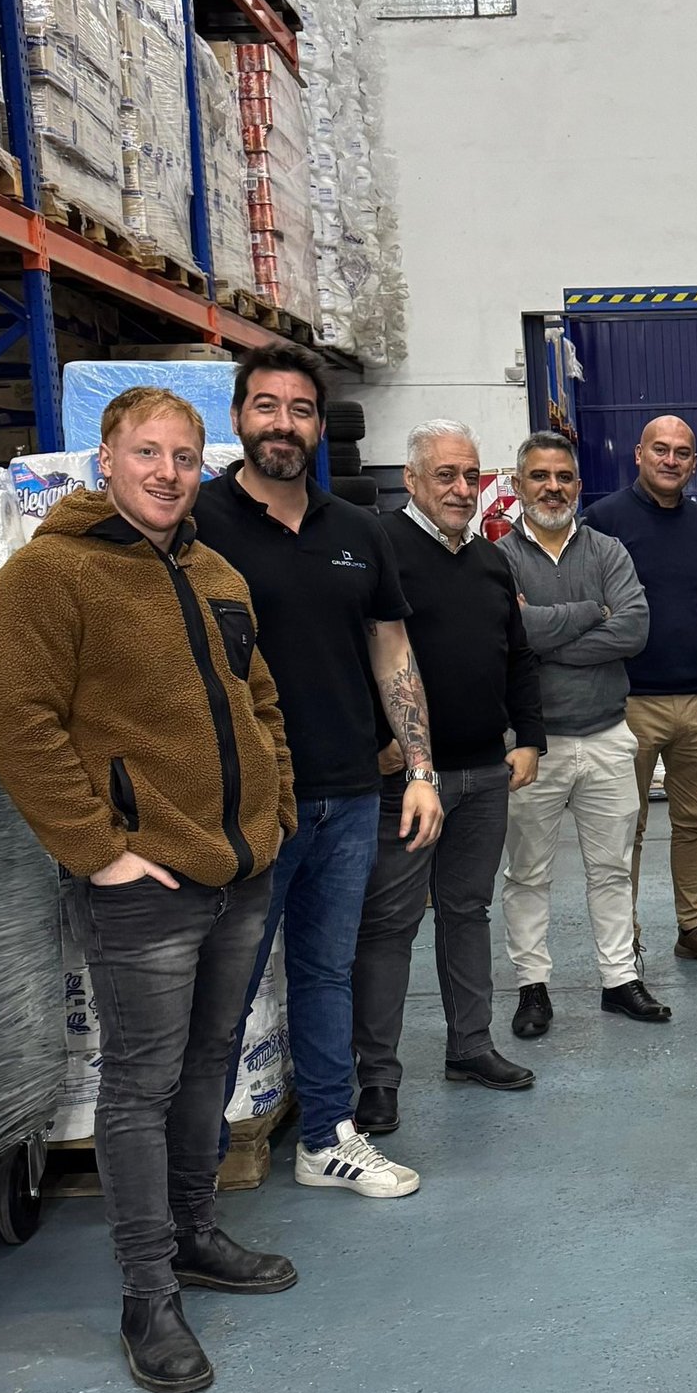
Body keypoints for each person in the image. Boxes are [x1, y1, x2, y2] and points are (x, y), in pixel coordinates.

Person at [0, 387, 296, 1393]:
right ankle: (146, 1292)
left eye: (182, 454)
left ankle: (196, 1232)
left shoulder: (214, 570)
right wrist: (97, 849)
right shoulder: (49, 576)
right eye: (145, 451)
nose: (165, 471)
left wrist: (275, 808)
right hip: (144, 885)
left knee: (208, 1063)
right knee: (141, 1086)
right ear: (106, 461)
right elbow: (18, 723)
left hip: (238, 867)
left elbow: (258, 696)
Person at [194, 343, 443, 1201]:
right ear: (238, 418)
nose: (284, 425)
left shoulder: (357, 531)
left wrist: (420, 769)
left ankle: (329, 1136)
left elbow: (392, 650)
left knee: (326, 970)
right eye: (267, 407)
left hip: (345, 793)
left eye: (300, 410)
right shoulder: (196, 524)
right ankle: (191, 1157)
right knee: (224, 980)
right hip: (247, 802)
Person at [349, 422, 547, 1138]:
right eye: (446, 477)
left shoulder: (493, 563)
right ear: (412, 478)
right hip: (406, 785)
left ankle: (469, 1046)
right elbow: (356, 657)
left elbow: (518, 658)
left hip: (483, 775)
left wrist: (529, 738)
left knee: (467, 913)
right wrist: (376, 745)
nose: (462, 490)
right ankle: (376, 1077)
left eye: (471, 476)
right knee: (391, 927)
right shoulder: (382, 551)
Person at [500, 432, 672, 1032]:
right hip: (531, 745)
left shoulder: (608, 551)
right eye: (540, 476)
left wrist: (542, 640)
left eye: (565, 476)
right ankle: (532, 988)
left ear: (579, 483)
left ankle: (619, 980)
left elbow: (634, 631)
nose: (554, 487)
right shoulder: (498, 558)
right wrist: (587, 614)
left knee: (612, 867)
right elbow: (505, 639)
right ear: (519, 484)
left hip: (606, 735)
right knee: (527, 873)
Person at [586, 415, 697, 966]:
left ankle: (693, 927)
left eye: (682, 452)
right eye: (661, 449)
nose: (671, 460)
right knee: (624, 826)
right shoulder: (602, 522)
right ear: (638, 454)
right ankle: (622, 941)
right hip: (626, 702)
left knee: (696, 822)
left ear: (694, 464)